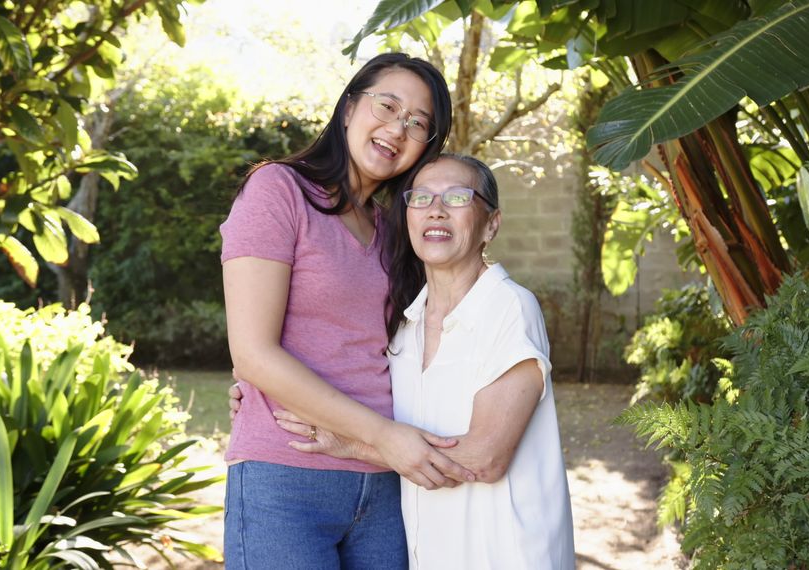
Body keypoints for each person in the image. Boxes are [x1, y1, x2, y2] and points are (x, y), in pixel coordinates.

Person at [238, 154, 576, 569]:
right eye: (420, 198)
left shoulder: (508, 307)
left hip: (506, 552)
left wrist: (357, 445)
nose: (436, 208)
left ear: (491, 224)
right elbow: (355, 370)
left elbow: (486, 458)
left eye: (457, 197)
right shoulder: (405, 325)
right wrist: (258, 387)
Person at [220, 53, 473, 570]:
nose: (397, 128)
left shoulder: (393, 232)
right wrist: (384, 436)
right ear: (349, 107)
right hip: (288, 475)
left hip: (383, 486)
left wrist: (383, 447)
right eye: (387, 105)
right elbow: (252, 352)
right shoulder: (278, 190)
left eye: (417, 123)